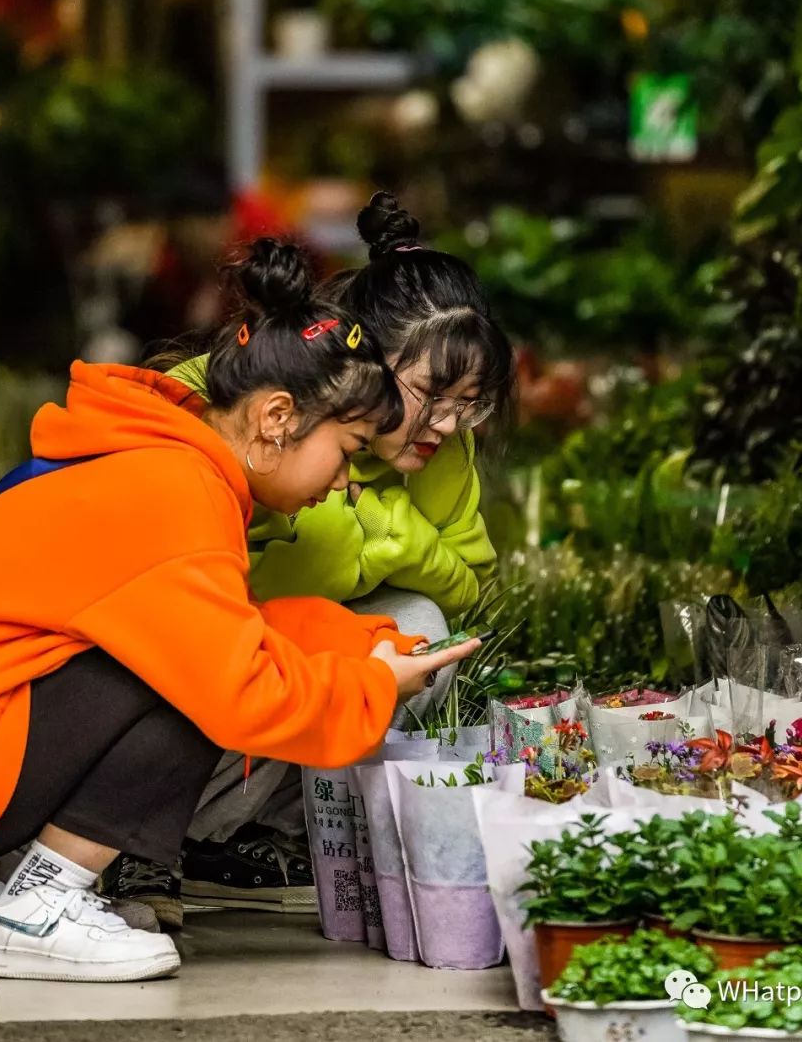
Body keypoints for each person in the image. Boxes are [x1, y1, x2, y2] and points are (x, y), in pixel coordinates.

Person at [0, 239, 478, 985]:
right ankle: (36, 904)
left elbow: (250, 630)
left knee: (197, 656)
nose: (344, 481)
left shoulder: (176, 463)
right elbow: (239, 691)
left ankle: (18, 893)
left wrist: (367, 643)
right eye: (349, 449)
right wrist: (373, 688)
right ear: (277, 418)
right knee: (190, 686)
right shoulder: (178, 494)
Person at [106, 190, 513, 923]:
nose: (448, 424)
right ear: (366, 362)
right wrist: (337, 549)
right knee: (251, 644)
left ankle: (236, 835)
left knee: (415, 627)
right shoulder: (249, 401)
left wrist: (383, 535)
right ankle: (132, 836)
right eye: (430, 394)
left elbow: (464, 588)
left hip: (268, 647)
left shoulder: (441, 446)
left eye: (469, 404)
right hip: (179, 645)